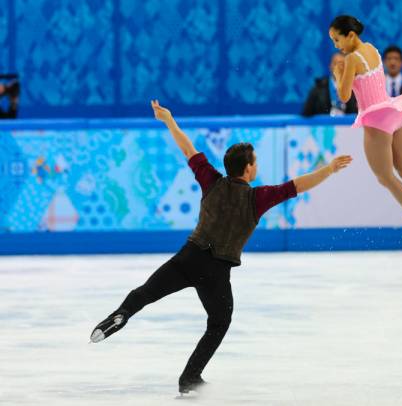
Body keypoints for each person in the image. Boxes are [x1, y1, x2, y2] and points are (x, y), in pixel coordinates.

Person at [90, 100, 352, 396]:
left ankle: (122, 313)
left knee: (145, 293)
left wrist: (169, 121)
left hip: (188, 257)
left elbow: (188, 149)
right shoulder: (258, 197)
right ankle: (190, 377)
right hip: (216, 271)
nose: (257, 166)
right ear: (249, 167)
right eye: (255, 162)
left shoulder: (211, 181)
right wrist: (329, 169)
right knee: (219, 322)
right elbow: (297, 186)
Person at [328, 15, 402, 251]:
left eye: (337, 40)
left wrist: (338, 73)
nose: (336, 46)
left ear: (350, 35)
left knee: (386, 177)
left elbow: (343, 96)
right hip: (396, 112)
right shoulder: (371, 48)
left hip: (376, 120)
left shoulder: (351, 59)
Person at [302, 52, 358, 116]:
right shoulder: (318, 88)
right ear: (330, 66)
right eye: (335, 64)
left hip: (346, 125)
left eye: (342, 65)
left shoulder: (354, 89)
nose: (338, 67)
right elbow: (306, 114)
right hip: (324, 125)